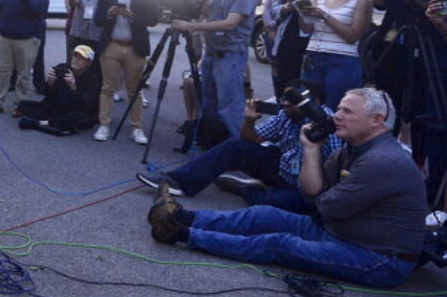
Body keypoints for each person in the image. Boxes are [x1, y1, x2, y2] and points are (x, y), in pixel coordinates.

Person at [147, 88, 429, 288]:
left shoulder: (383, 160)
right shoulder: (350, 150)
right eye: (339, 108)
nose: (336, 116)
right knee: (265, 215)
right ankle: (182, 216)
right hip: (337, 232)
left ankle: (181, 234)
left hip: (379, 259)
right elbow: (310, 193)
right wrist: (310, 149)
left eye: (346, 111)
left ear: (377, 120)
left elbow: (326, 204)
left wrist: (321, 194)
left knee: (278, 243)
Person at [137, 79, 344, 213]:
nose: (285, 103)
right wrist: (249, 120)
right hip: (282, 168)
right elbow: (250, 139)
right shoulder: (286, 115)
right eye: (283, 98)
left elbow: (333, 178)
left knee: (268, 204)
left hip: (305, 186)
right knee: (236, 146)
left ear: (313, 101)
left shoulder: (330, 125)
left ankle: (246, 189)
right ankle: (177, 181)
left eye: (292, 99)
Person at [171, 0, 258, 137]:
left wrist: (191, 27)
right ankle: (211, 141)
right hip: (212, 53)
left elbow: (230, 24)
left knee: (229, 106)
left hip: (230, 55)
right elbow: (209, 13)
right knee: (209, 103)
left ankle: (237, 147)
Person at [92, 0, 160, 144]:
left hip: (134, 47)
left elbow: (155, 19)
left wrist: (133, 16)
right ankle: (103, 125)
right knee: (107, 88)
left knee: (134, 90)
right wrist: (108, 14)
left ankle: (136, 128)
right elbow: (97, 20)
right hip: (111, 45)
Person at [299, 0, 373, 109]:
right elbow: (308, 29)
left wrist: (325, 15)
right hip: (313, 55)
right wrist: (301, 13)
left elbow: (353, 36)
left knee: (335, 108)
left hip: (342, 59)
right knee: (309, 107)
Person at [264, 0, 328, 97]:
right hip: (287, 40)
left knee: (309, 92)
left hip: (314, 42)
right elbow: (273, 9)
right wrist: (285, 8)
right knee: (286, 89)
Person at [17, 45, 102, 134]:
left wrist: (74, 87)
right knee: (23, 104)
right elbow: (47, 94)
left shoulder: (93, 79)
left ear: (88, 63)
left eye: (81, 58)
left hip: (75, 110)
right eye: (75, 56)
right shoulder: (62, 68)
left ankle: (41, 123)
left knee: (77, 118)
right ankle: (56, 122)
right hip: (58, 107)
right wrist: (50, 83)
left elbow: (84, 104)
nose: (76, 60)